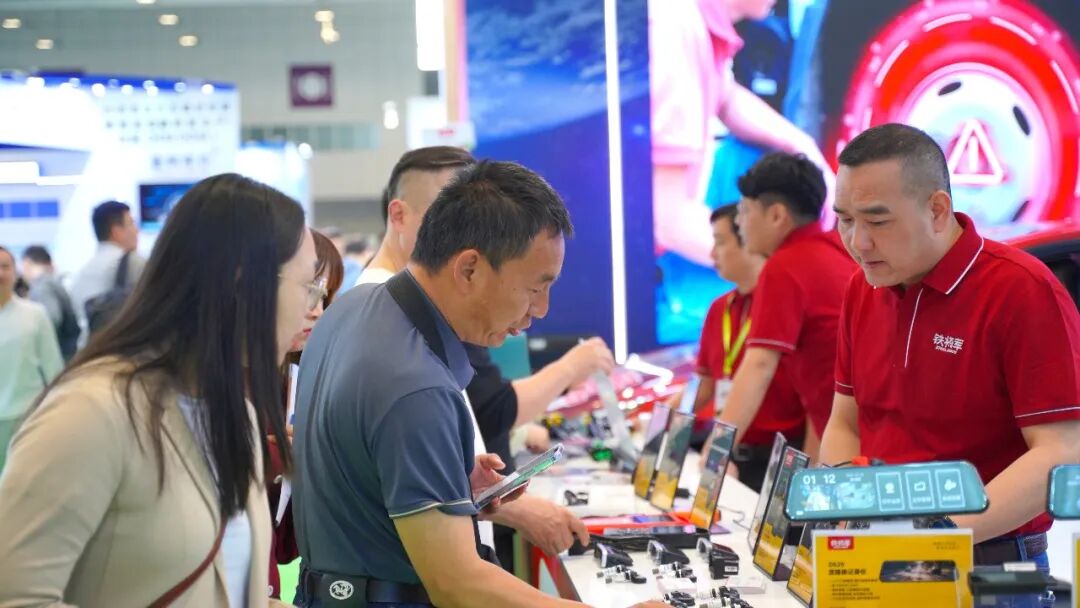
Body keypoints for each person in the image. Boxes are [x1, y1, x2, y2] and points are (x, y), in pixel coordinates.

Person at [292, 161, 665, 608]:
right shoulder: (415, 384)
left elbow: (355, 469)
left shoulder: (352, 309)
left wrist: (446, 478)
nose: (541, 310)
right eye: (535, 289)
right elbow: (458, 584)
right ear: (469, 269)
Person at [0, 174, 315, 606]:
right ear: (243, 282)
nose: (312, 307)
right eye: (308, 286)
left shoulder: (235, 414)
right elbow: (16, 597)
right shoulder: (92, 411)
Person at [821, 124, 1080, 590]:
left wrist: (935, 535)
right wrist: (847, 504)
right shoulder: (863, 288)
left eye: (877, 222)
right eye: (845, 220)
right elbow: (846, 422)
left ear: (937, 210)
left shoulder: (1020, 290)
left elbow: (1063, 450)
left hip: (989, 566)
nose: (858, 242)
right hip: (880, 561)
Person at [357, 146, 614, 564]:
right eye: (534, 289)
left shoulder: (415, 317)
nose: (540, 309)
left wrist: (463, 485)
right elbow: (452, 576)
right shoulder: (399, 334)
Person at [649, 0, 835, 268]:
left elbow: (724, 95)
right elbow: (668, 220)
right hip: (642, 258)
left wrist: (802, 145)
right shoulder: (673, 31)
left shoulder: (691, 18)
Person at [712, 152, 854, 459]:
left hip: (852, 434)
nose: (739, 222)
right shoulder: (840, 251)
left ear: (776, 215)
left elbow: (759, 366)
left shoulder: (785, 266)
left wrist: (717, 453)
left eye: (744, 211)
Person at [688, 205, 805, 490]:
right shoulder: (719, 309)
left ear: (748, 241)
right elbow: (702, 384)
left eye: (720, 242)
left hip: (777, 461)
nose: (712, 254)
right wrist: (660, 422)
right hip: (727, 454)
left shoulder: (785, 304)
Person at [268, 229, 342, 600]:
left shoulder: (299, 381)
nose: (316, 310)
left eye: (324, 296)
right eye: (308, 290)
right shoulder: (225, 382)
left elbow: (285, 544)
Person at [0, 245, 63, 473]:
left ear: (15, 272)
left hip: (26, 415)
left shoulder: (35, 315)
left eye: (5, 267)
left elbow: (54, 369)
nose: (0, 274)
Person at [69, 200, 147, 335]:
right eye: (131, 224)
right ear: (116, 231)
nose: (136, 231)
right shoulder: (133, 262)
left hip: (90, 344)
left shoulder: (83, 272)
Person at [20, 245, 80, 361]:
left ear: (27, 263)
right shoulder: (52, 282)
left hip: (59, 355)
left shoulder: (42, 286)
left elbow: (52, 318)